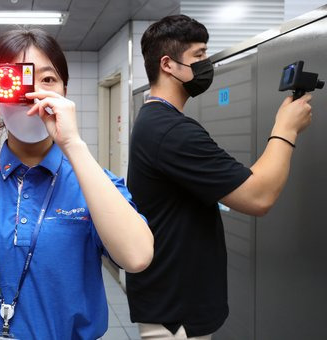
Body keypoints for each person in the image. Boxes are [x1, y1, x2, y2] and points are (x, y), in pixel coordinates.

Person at [0, 28, 154, 339]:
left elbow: (136, 257)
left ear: (65, 92)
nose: (32, 93)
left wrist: (72, 143)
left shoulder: (94, 183)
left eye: (47, 80)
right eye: (16, 79)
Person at [126, 14, 313, 339]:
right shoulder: (170, 129)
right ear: (168, 64)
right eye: (198, 56)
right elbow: (258, 195)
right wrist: (286, 128)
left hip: (172, 301)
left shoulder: (154, 120)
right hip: (176, 315)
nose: (206, 64)